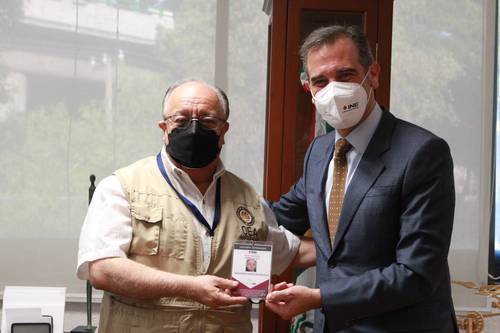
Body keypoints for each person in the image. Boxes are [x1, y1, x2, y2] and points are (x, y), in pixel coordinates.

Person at [77, 79, 314, 333]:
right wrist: (190, 288)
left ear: (223, 131)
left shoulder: (248, 198)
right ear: (164, 128)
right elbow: (102, 269)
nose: (193, 129)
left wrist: (350, 247)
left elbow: (288, 251)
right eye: (180, 120)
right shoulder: (121, 187)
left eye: (207, 121)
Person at [265, 25, 458, 332]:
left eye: (345, 75)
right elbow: (278, 216)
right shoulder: (320, 151)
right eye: (320, 81)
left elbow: (416, 273)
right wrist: (219, 202)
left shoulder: (422, 153)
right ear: (310, 91)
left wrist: (320, 297)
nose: (334, 89)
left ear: (374, 75)